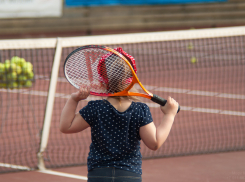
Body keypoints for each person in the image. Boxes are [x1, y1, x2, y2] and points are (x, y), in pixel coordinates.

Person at [60, 48, 179, 182]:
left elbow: (66, 126)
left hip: (99, 175)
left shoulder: (95, 108)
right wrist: (169, 115)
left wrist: (73, 99)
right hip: (129, 175)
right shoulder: (140, 110)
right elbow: (155, 143)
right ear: (133, 79)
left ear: (102, 82)